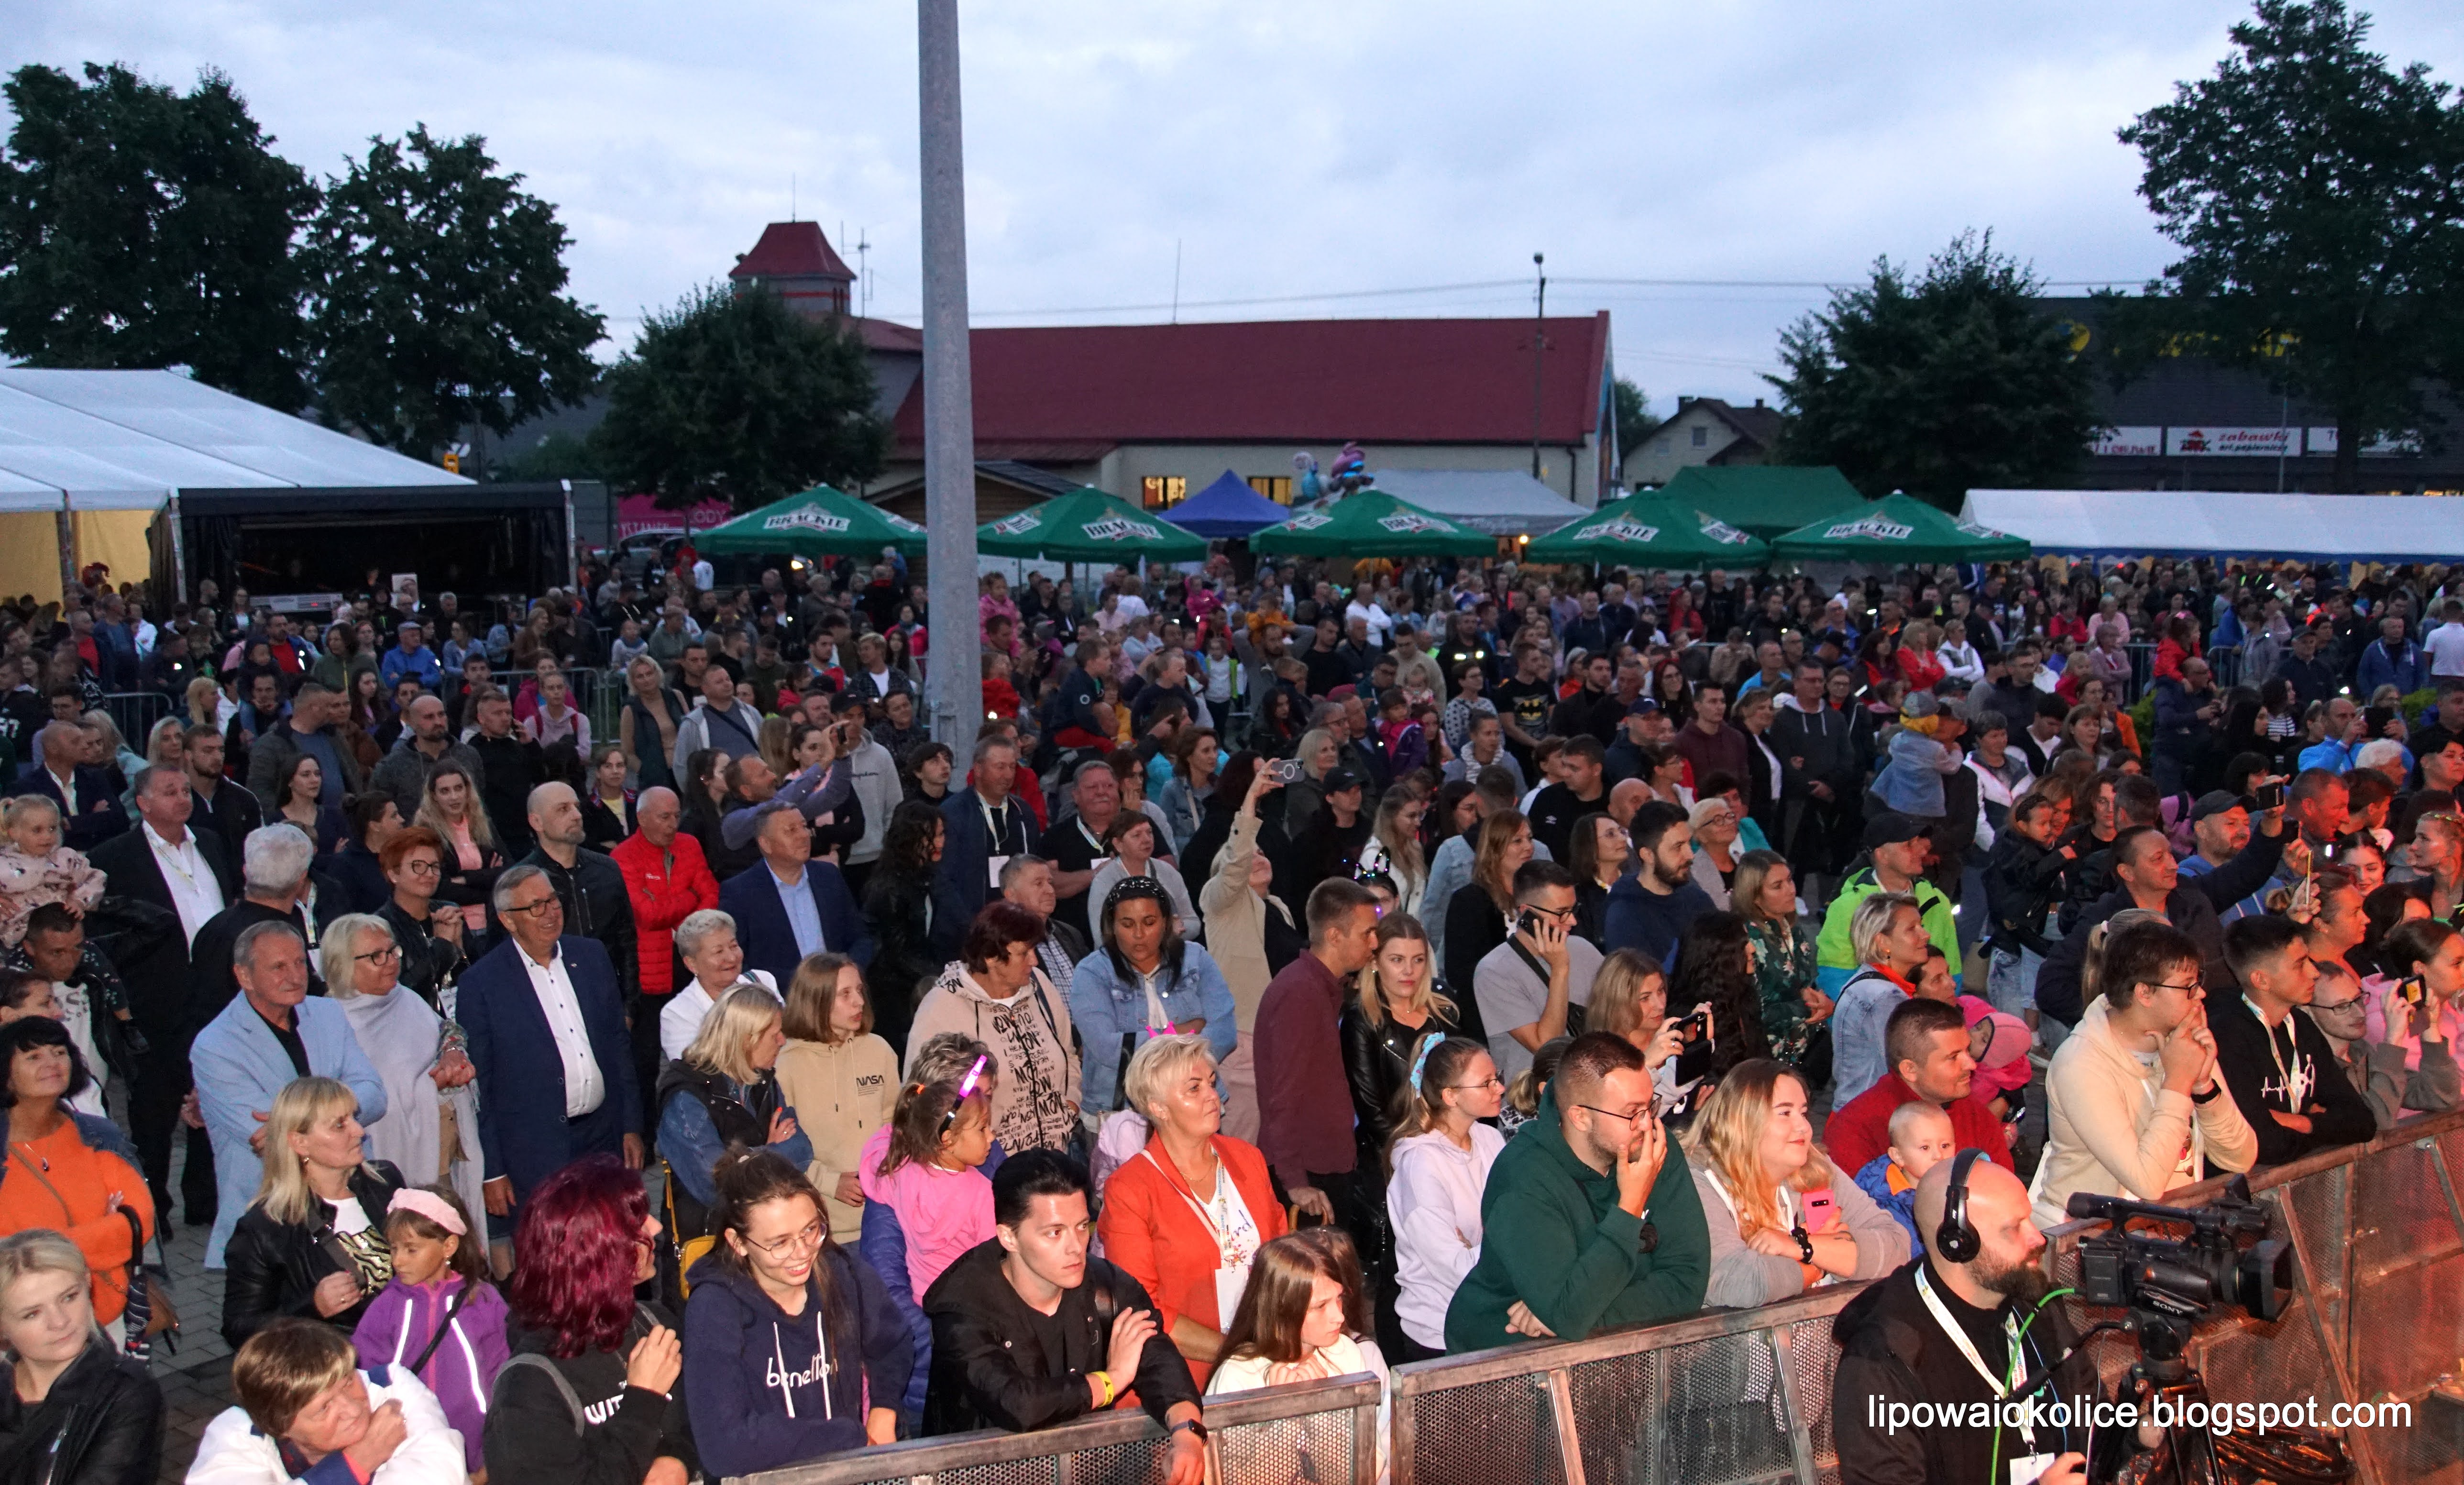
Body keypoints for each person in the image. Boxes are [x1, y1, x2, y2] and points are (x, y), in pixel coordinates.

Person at [1832, 1155, 2145, 1485]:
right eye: (2013, 1228)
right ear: (1957, 1244)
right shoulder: (1882, 1360)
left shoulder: (2037, 1308)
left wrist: (2140, 1436)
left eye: (2030, 1219)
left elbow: (2096, 1439)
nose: (2038, 1239)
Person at [919, 1149, 1208, 1485]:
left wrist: (1187, 1435)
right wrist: (1111, 1380)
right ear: (1009, 1237)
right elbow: (1017, 1403)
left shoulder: (1108, 1289)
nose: (1076, 1247)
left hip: (1084, 1473)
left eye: (1082, 1226)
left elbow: (1160, 1362)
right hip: (981, 1476)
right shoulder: (962, 1307)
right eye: (1054, 1232)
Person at [1444, 1032, 1708, 1350]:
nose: (1647, 1123)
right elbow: (1570, 1314)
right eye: (1632, 1112)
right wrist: (1630, 1206)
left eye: (1650, 1106)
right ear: (1580, 1117)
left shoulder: (1652, 1148)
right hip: (1505, 1355)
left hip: (1603, 1352)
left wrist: (1579, 1316)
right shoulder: (1524, 1178)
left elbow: (1687, 1283)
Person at [679, 1150, 906, 1475]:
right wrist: (846, 1436)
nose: (803, 1252)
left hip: (841, 1472)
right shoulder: (714, 1308)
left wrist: (884, 1410)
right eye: (780, 1243)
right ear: (737, 1242)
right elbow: (724, 1445)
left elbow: (892, 1342)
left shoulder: (840, 1271)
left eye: (811, 1229)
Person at [2030, 917, 2257, 1228]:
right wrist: (2178, 1083)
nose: (2201, 995)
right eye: (2188, 986)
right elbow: (2146, 1183)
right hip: (2091, 1237)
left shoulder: (2181, 1043)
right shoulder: (2081, 1063)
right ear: (2144, 993)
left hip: (2163, 1233)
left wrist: (2204, 1086)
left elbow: (2241, 1159)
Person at [88, 762, 238, 1226]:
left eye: (185, 790)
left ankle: (204, 1200)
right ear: (143, 802)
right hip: (153, 999)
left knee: (211, 1097)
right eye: (170, 791)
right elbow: (106, 932)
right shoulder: (115, 855)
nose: (182, 798)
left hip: (213, 994)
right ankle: (153, 1207)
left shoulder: (209, 842)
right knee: (154, 1110)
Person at [191, 922, 389, 1269]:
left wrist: (299, 1122)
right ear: (244, 975)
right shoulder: (216, 1046)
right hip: (273, 1221)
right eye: (279, 967)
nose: (296, 976)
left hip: (351, 1200)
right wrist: (342, 1112)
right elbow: (266, 1138)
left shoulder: (328, 1013)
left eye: (300, 962)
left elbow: (374, 1093)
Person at [1097, 1033, 1285, 1388]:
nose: (1213, 1095)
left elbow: (1283, 1256)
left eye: (1211, 1083)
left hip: (1266, 1361)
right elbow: (1143, 1309)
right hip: (1183, 1379)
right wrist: (1237, 1352)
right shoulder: (1130, 1188)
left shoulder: (1247, 1158)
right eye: (1194, 1088)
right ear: (1158, 1107)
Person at [459, 864, 642, 1218]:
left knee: (612, 1235)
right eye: (535, 906)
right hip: (534, 1153)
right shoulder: (482, 983)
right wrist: (492, 1170)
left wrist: (631, 1124)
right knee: (550, 1246)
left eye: (553, 900)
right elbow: (481, 1085)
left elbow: (617, 1046)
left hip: (602, 1136)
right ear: (508, 920)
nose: (550, 912)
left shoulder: (591, 956)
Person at [1686, 1059, 1907, 1308]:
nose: (1804, 1127)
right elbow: (1741, 1283)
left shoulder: (1816, 1169)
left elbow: (1897, 1248)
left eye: (1803, 1113)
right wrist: (1820, 1263)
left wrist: (1802, 1246)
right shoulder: (1698, 1182)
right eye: (1785, 1113)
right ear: (1742, 1121)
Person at [220, 1077, 407, 1347]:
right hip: (340, 1365)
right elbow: (238, 1328)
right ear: (300, 1143)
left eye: (354, 1118)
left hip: (414, 1351)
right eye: (339, 1125)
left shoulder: (385, 1182)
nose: (359, 1131)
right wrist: (311, 1308)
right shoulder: (265, 1228)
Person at [324, 916, 485, 1228]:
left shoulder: (406, 998)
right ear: (342, 963)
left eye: (392, 951)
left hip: (447, 1152)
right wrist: (433, 1085)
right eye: (376, 956)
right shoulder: (331, 1022)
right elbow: (355, 1101)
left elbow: (446, 1030)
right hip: (390, 1161)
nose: (390, 962)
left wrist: (452, 1053)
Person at [0, 1017, 151, 1331]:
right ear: (6, 1074)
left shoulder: (97, 1134)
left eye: (59, 1052)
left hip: (107, 1318)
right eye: (33, 1056)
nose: (52, 1063)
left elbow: (140, 1220)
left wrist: (34, 1249)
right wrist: (102, 1232)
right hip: (22, 1330)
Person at [1204, 1227, 1391, 1479]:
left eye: (1338, 1299)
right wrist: (1282, 1419)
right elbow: (1227, 1477)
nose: (1339, 1316)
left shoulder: (1344, 1353)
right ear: (1283, 1310)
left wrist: (1323, 1414)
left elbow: (1366, 1471)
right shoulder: (1238, 1377)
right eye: (1321, 1306)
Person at [350, 1187, 508, 1477]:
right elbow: (366, 1380)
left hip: (477, 1448)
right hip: (408, 1454)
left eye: (411, 1249)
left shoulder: (483, 1301)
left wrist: (493, 1456)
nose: (398, 1261)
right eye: (394, 1248)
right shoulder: (386, 1307)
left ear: (449, 1246)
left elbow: (503, 1375)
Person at [193, 1318, 467, 1485]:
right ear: (280, 1426)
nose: (352, 1409)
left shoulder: (392, 1388)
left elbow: (440, 1476)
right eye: (324, 1408)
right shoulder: (238, 1433)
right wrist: (359, 1461)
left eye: (348, 1383)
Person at [1255, 880, 1382, 1232]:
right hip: (1308, 1177)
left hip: (1327, 1165)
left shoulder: (1323, 987)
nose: (1375, 943)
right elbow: (1282, 1097)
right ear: (1335, 936)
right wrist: (1295, 1182)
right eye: (1367, 933)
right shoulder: (1299, 993)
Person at [910, 901, 1082, 1153]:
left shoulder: (1041, 986)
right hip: (988, 1165)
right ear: (991, 958)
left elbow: (1068, 1054)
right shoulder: (941, 1008)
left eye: (1034, 950)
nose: (1035, 961)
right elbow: (921, 1099)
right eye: (1024, 953)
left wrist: (1071, 1105)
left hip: (1054, 1158)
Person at [656, 983, 812, 1260]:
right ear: (746, 1039)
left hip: (762, 1241)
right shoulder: (686, 1098)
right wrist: (770, 1150)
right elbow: (715, 1186)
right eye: (775, 1035)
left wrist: (745, 1159)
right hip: (711, 1249)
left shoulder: (763, 1081)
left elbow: (803, 1149)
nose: (783, 1041)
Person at [0, 1230, 163, 1485]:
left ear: (88, 1284)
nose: (60, 1322)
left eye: (69, 1297)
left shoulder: (127, 1394)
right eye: (32, 1314)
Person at [2209, 914, 2376, 1163]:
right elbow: (2264, 1145)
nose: (2314, 972)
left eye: (2309, 959)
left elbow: (2362, 1123)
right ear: (2261, 980)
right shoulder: (2226, 1035)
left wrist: (2302, 1123)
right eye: (2300, 964)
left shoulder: (2301, 1024)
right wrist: (2324, 1124)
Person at [1068, 877, 1237, 1114]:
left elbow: (1224, 1033)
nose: (1139, 934)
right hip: (1119, 1112)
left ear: (1166, 922)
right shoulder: (1091, 972)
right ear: (1112, 926)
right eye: (1127, 924)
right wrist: (1181, 1032)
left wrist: (1166, 1060)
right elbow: (1106, 1047)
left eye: (1149, 922)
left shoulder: (1196, 958)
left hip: (1196, 1102)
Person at [1386, 1036, 1505, 1363]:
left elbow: (1523, 1216)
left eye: (1497, 1077)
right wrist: (1508, 1240)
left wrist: (1480, 1244)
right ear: (1450, 1096)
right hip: (1442, 1330)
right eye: (1486, 1082)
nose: (1500, 1088)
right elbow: (1457, 1268)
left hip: (1493, 1314)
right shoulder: (1420, 1165)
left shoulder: (1491, 1138)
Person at [773, 953, 897, 1247]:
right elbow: (781, 1150)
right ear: (816, 1000)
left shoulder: (878, 1050)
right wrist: (830, 1182)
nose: (859, 1002)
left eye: (860, 990)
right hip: (821, 1230)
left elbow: (894, 1120)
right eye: (845, 994)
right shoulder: (785, 1065)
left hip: (886, 1220)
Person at [1822, 996, 2013, 1178]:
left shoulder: (1975, 1115)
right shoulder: (1855, 1128)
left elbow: (2005, 1188)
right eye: (1953, 1057)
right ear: (1910, 1070)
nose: (1971, 1065)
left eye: (1968, 1050)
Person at [717, 801, 874, 988]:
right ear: (766, 844)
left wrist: (846, 973)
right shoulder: (740, 893)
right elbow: (736, 962)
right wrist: (801, 986)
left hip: (839, 991)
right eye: (791, 830)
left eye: (804, 827)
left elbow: (860, 938)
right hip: (780, 998)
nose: (804, 835)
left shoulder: (828, 876)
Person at [1474, 861, 1601, 1092]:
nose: (1572, 921)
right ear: (1527, 913)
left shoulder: (1583, 949)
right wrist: (1560, 969)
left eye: (1574, 910)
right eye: (1561, 913)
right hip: (1532, 1100)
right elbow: (1548, 1047)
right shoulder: (1494, 972)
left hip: (1592, 1089)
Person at [1814, 812, 1958, 997]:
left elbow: (1953, 973)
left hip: (1930, 1011)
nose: (1923, 851)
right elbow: (1835, 979)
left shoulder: (1937, 901)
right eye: (1909, 845)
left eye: (1919, 843)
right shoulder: (1848, 907)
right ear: (1882, 855)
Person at [517, 783, 638, 1000]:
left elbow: (627, 943)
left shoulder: (606, 869)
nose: (576, 816)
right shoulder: (521, 882)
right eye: (563, 809)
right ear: (537, 822)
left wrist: (629, 1006)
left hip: (607, 996)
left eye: (576, 807)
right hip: (550, 999)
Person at [1826, 893, 1936, 1106]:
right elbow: (1905, 1070)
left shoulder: (1871, 984)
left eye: (1921, 926)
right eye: (1912, 929)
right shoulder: (1884, 997)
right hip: (1873, 1116)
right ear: (1882, 942)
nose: (1926, 935)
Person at [937, 735, 1040, 920]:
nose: (1008, 775)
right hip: (969, 923)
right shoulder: (953, 813)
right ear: (978, 769)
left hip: (1017, 920)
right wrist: (969, 923)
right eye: (1000, 767)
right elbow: (943, 879)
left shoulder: (1023, 812)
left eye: (1012, 767)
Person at [1602, 801, 1716, 967]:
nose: (1690, 855)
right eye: (1678, 847)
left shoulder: (1697, 899)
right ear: (1648, 855)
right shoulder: (1625, 916)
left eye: (1689, 843)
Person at [412, 761, 503, 951]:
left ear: (468, 790)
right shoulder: (427, 835)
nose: (454, 797)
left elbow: (508, 871)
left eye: (459, 788)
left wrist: (466, 879)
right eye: (445, 791)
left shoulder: (483, 824)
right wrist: (490, 887)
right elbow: (442, 889)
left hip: (494, 923)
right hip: (456, 929)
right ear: (434, 796)